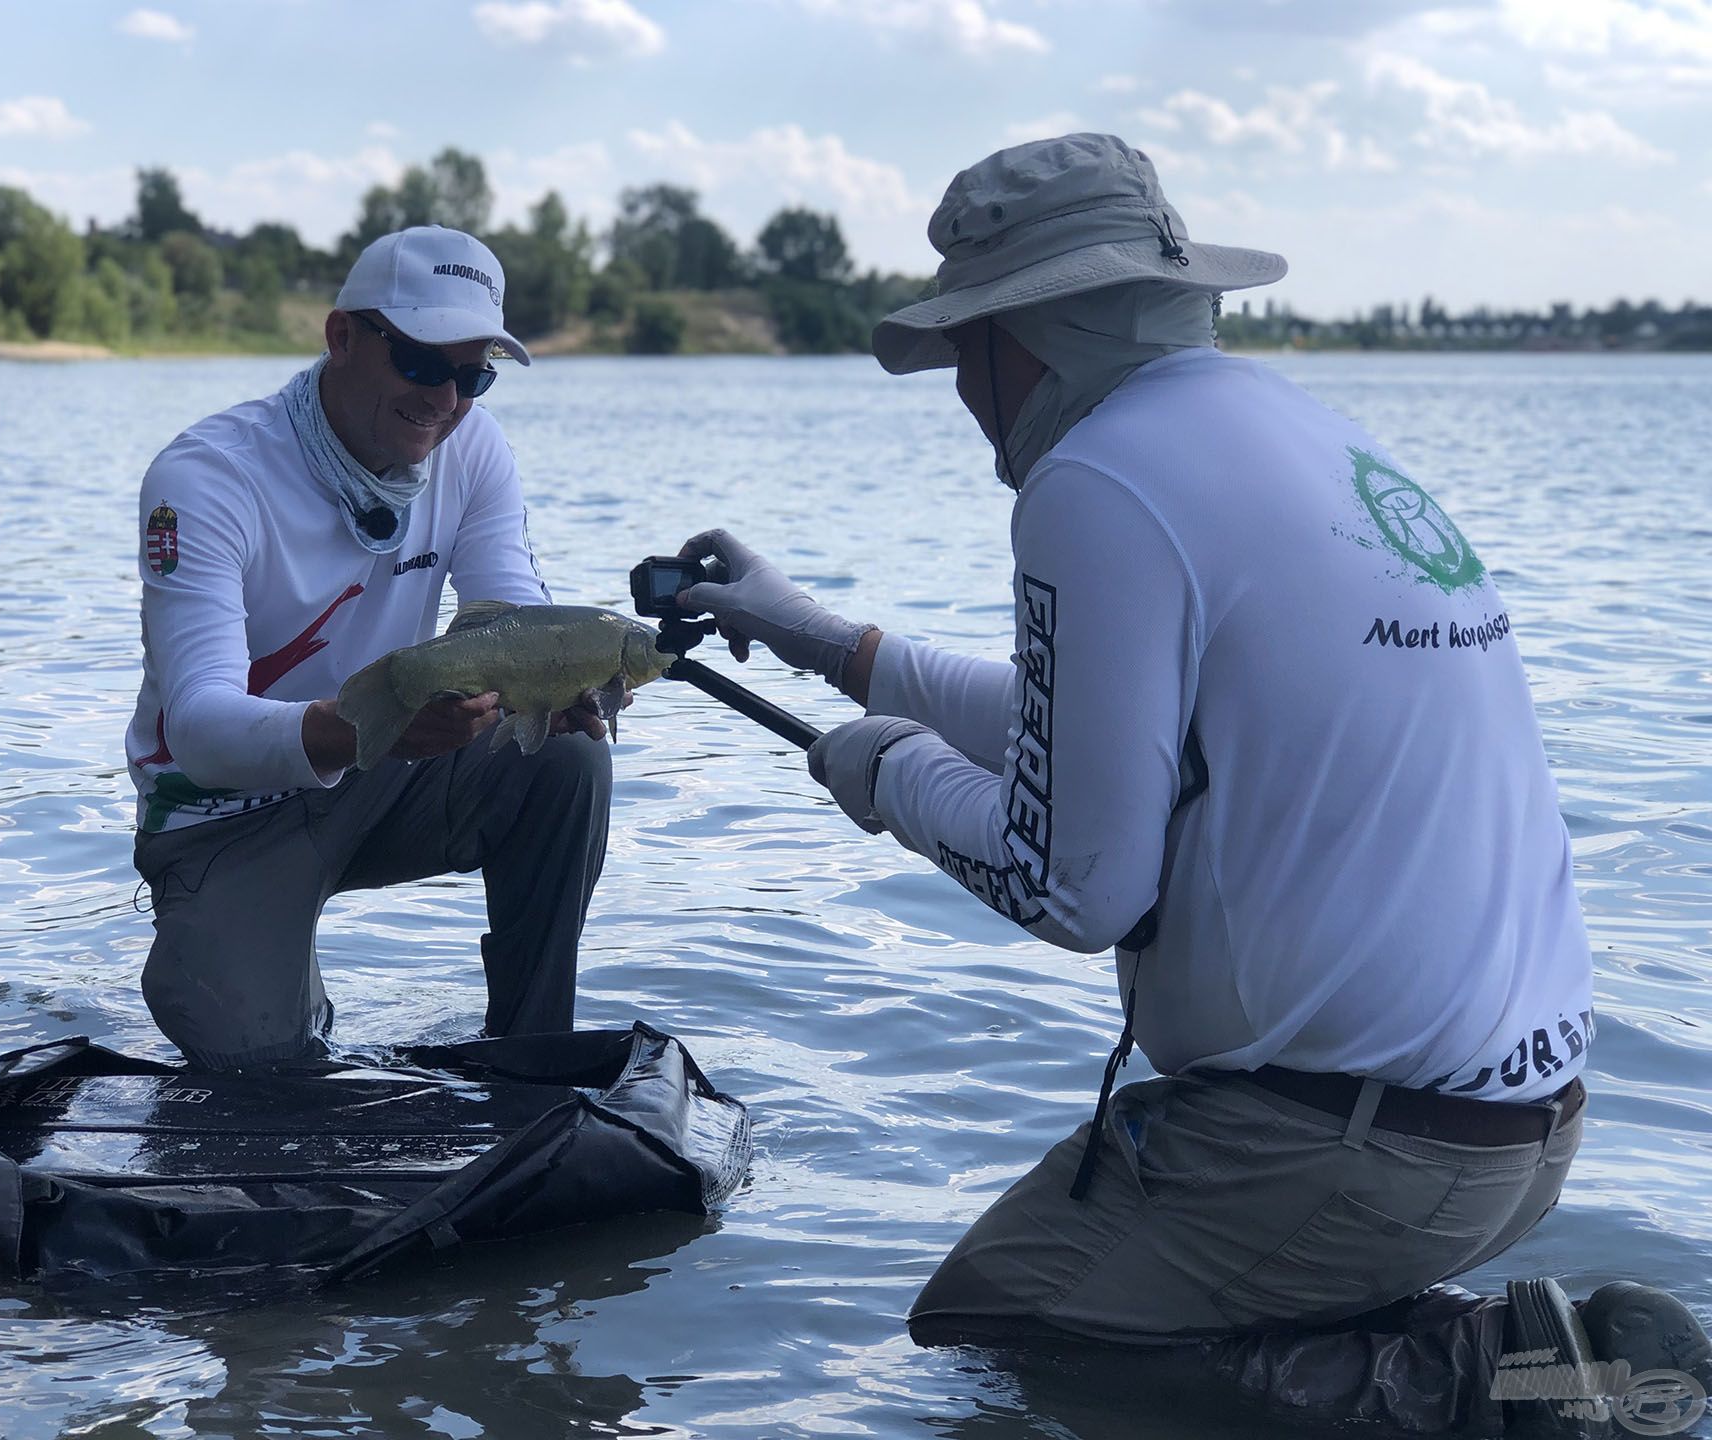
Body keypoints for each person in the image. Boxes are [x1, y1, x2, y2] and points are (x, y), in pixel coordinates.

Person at [677, 135, 1711, 1436]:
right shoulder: (1300, 439)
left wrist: (886, 775)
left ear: (1022, 337)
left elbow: (1074, 885)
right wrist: (834, 648)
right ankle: (1507, 1352)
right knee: (1159, 1311)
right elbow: (1108, 738)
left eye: (961, 355)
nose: (963, 394)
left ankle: (1496, 1382)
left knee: (1000, 1331)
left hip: (1356, 1152)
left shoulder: (1093, 478)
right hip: (1525, 1127)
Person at [126, 225, 614, 1070]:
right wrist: (360, 729)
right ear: (341, 337)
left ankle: (533, 1060)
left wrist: (562, 682)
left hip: (385, 775)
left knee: (565, 761)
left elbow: (515, 614)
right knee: (266, 1069)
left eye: (473, 376)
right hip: (221, 814)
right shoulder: (205, 480)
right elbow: (199, 724)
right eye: (423, 364)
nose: (445, 401)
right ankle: (258, 974)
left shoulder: (473, 445)